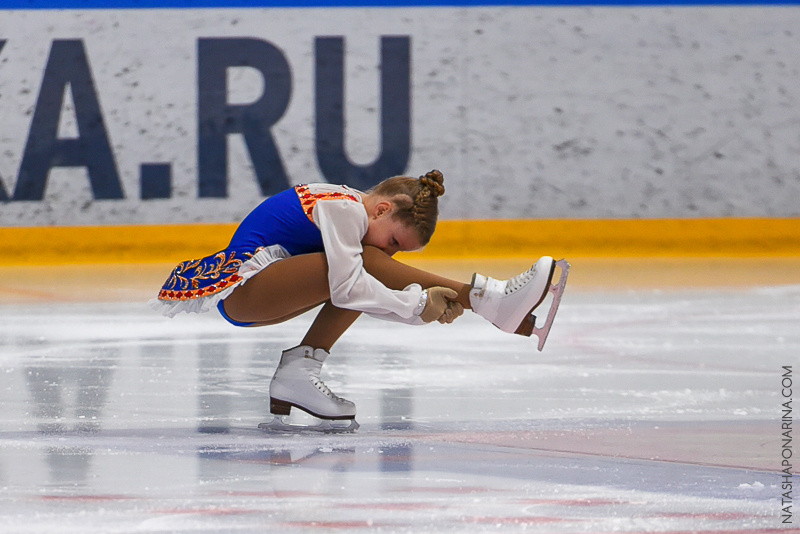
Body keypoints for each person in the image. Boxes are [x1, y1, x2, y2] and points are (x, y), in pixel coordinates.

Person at [151, 170, 559, 430]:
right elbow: (351, 288)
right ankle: (491, 300)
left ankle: (297, 373)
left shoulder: (352, 210)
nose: (393, 255)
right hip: (248, 293)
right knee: (359, 264)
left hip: (265, 294)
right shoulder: (344, 210)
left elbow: (358, 292)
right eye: (395, 241)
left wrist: (418, 307)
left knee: (360, 266)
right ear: (381, 208)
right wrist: (417, 306)